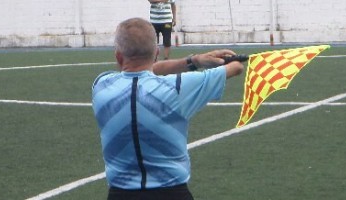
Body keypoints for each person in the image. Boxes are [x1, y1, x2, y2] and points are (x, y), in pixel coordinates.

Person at [92, 18, 244, 200]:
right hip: (172, 193)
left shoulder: (101, 86)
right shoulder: (178, 88)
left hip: (120, 194)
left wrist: (194, 60)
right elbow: (235, 68)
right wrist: (209, 61)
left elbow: (142, 71)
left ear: (118, 56)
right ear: (156, 53)